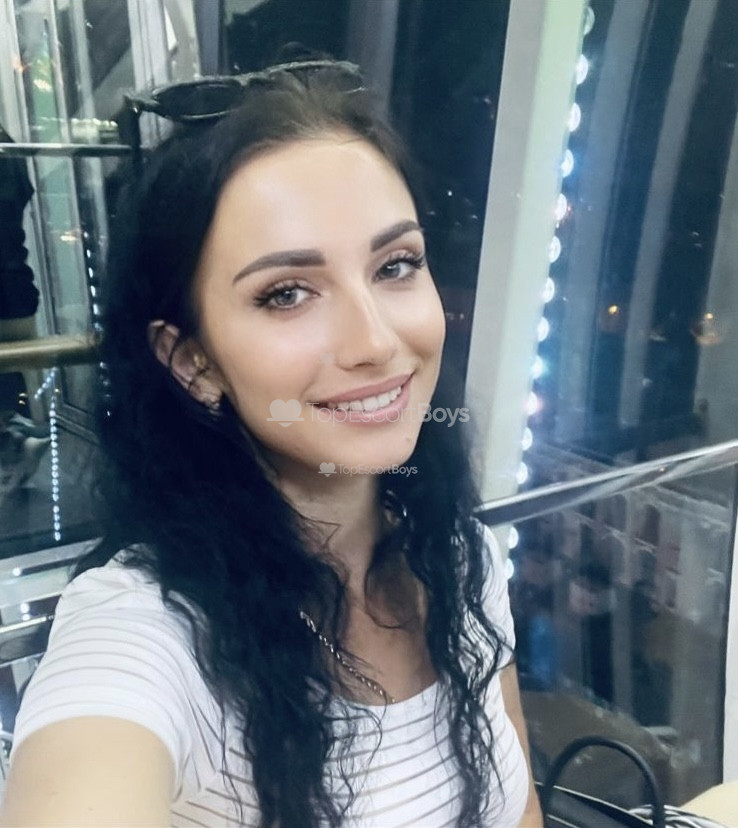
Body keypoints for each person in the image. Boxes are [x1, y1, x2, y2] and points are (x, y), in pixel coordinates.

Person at [0, 61, 542, 827]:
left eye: (395, 266)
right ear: (193, 361)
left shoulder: (458, 557)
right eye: (286, 294)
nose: (375, 341)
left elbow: (518, 807)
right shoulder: (147, 629)